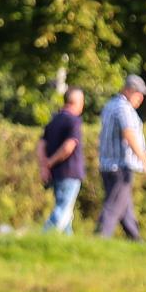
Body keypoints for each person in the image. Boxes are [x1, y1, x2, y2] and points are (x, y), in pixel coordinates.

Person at [95, 74, 146, 241]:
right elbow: (129, 133)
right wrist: (145, 162)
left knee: (125, 207)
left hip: (107, 165)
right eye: (138, 94)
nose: (141, 98)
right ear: (128, 91)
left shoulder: (110, 105)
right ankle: (100, 238)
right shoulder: (124, 108)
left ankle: (136, 240)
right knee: (114, 206)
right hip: (121, 166)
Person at [37, 87, 86, 234]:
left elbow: (40, 145)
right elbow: (69, 146)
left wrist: (44, 166)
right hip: (70, 172)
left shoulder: (54, 120)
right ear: (76, 102)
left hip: (56, 174)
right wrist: (50, 162)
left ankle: (67, 244)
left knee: (66, 212)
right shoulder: (74, 121)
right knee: (63, 209)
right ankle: (43, 237)